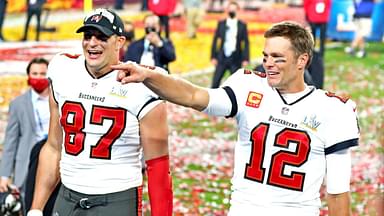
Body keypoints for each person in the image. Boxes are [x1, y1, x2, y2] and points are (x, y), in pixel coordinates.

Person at [114, 21, 360, 215]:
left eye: (278, 57)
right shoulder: (248, 87)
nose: (268, 64)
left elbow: (338, 192)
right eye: (266, 56)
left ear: (302, 60)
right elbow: (193, 95)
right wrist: (147, 75)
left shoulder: (332, 110)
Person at [26, 8, 172, 216]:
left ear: (120, 42)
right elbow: (53, 147)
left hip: (115, 199)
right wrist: (36, 209)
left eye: (102, 37)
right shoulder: (63, 70)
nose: (92, 43)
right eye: (87, 36)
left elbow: (158, 164)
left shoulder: (142, 84)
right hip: (67, 196)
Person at [0, 57, 50, 214]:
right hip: (28, 163)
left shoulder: (60, 100)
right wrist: (5, 174)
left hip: (54, 161)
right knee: (29, 208)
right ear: (28, 76)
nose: (39, 77)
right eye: (35, 73)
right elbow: (11, 141)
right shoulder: (18, 104)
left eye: (43, 73)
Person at [211, 1, 249, 88]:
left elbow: (246, 43)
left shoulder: (242, 25)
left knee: (236, 84)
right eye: (230, 9)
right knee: (215, 82)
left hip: (235, 58)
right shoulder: (221, 24)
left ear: (238, 11)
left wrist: (245, 58)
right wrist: (213, 56)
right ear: (227, 10)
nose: (232, 11)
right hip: (222, 58)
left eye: (234, 9)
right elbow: (215, 40)